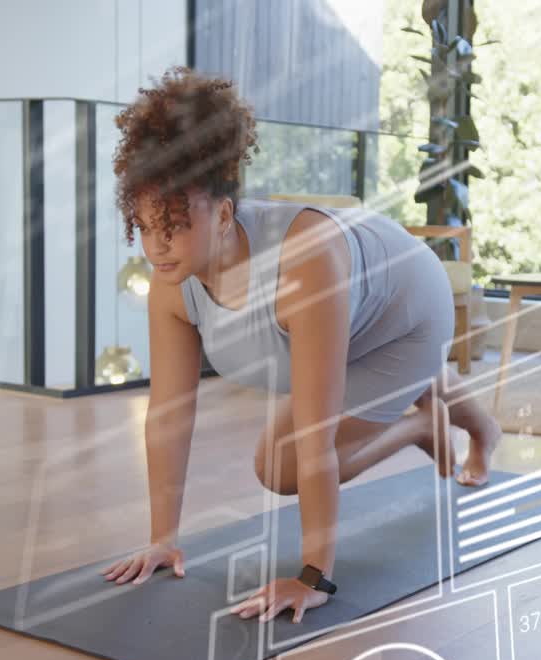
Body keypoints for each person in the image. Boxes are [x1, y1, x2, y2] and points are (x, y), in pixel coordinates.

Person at [99, 66, 503, 624]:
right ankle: (466, 420)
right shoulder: (172, 288)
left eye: (172, 225)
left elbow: (314, 438)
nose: (156, 247)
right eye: (143, 227)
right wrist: (162, 539)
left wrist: (314, 576)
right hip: (362, 309)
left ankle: (418, 424)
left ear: (221, 212)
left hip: (410, 308)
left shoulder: (302, 264)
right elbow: (167, 417)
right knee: (373, 376)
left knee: (280, 466)